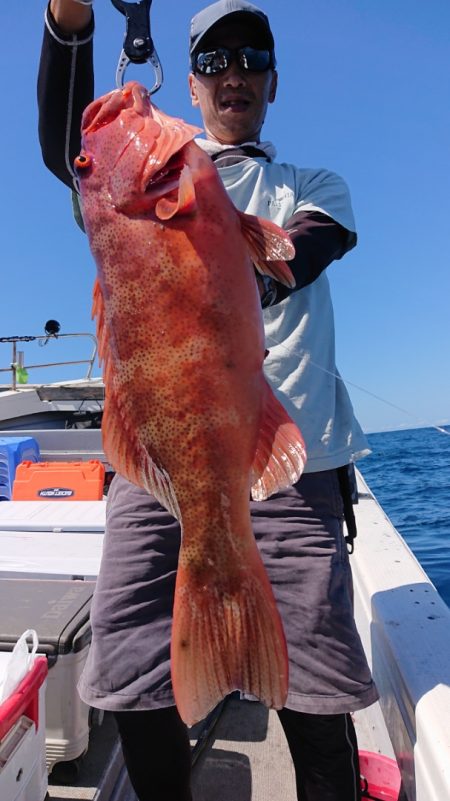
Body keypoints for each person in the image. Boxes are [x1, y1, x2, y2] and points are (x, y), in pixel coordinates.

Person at [38, 1, 379, 799]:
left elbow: (305, 251)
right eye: (217, 62)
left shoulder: (309, 184)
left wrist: (231, 250)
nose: (235, 73)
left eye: (252, 57)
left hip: (295, 463)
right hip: (164, 466)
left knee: (318, 688)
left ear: (272, 82)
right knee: (125, 666)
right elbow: (69, 145)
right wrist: (70, 23)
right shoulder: (124, 194)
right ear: (189, 86)